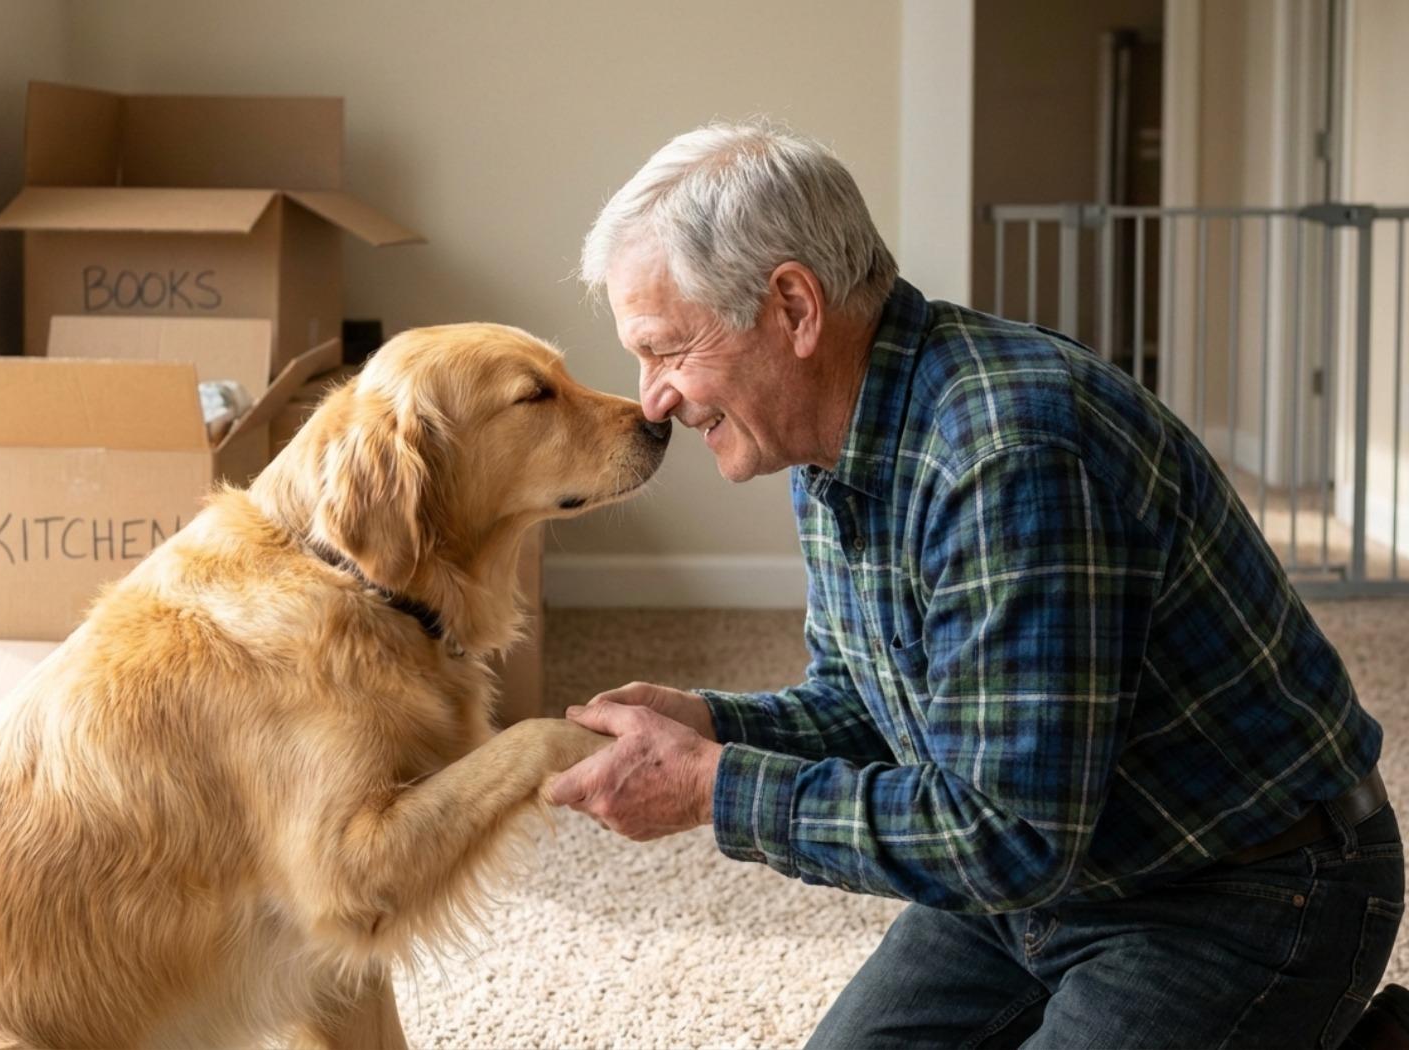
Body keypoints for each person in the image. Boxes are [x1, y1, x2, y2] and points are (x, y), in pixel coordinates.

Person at [546, 119, 1407, 1049]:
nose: (652, 398)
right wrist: (710, 725)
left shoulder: (1011, 455)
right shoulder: (828, 439)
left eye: (668, 349)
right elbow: (873, 705)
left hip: (1242, 888)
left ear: (793, 308)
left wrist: (714, 788)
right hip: (1038, 887)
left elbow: (1009, 835)